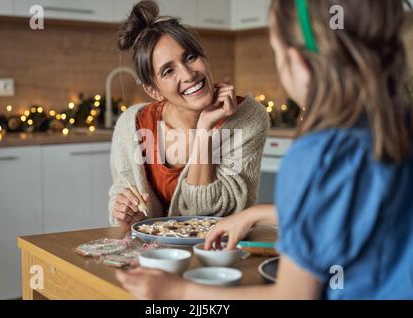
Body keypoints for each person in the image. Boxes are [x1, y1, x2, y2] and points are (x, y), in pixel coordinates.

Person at [116, 0, 413, 299]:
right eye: (168, 70)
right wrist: (260, 214)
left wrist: (178, 293)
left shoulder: (318, 154)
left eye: (276, 52)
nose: (188, 74)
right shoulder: (394, 125)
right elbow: (352, 211)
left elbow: (292, 296)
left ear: (296, 60)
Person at [108, 0, 269, 227]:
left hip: (219, 253)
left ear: (205, 57)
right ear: (153, 90)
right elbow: (122, 192)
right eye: (168, 71)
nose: (188, 75)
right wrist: (126, 210)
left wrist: (204, 132)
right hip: (151, 254)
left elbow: (208, 217)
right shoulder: (131, 125)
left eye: (190, 57)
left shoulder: (248, 118)